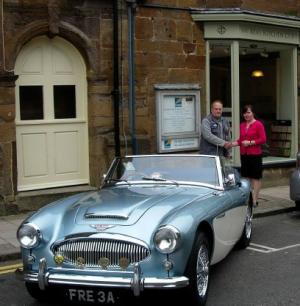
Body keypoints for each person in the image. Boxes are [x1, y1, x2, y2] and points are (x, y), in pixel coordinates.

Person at [231, 105, 267, 207]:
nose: (246, 115)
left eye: (249, 112)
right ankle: (248, 198)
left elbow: (263, 139)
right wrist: (231, 144)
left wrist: (251, 142)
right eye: (245, 113)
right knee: (246, 178)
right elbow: (241, 141)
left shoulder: (258, 124)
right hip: (244, 154)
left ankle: (255, 200)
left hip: (255, 155)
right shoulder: (242, 125)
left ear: (253, 113)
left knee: (255, 177)